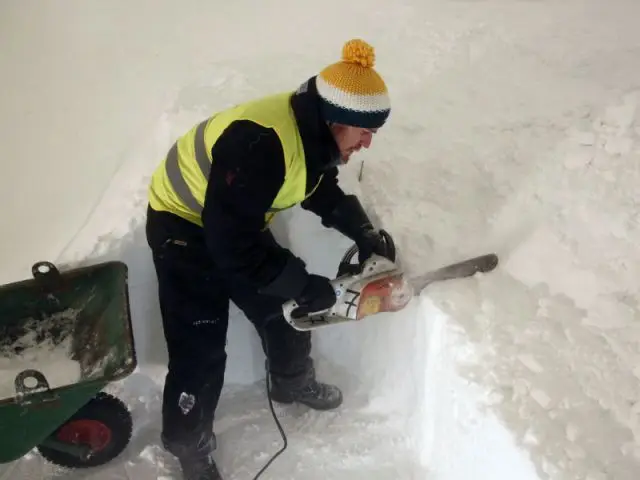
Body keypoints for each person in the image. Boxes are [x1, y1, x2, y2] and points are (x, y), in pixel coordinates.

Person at [145, 38, 394, 480]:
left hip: (232, 217)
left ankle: (291, 381)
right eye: (364, 132)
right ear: (339, 120)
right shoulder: (261, 142)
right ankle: (189, 444)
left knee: (283, 312)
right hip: (182, 225)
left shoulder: (313, 133)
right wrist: (304, 284)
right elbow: (232, 247)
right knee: (199, 348)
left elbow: (313, 186)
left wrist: (361, 230)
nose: (367, 144)